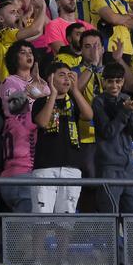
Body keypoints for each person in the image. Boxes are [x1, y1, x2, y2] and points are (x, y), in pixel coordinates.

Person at [31, 61, 92, 213]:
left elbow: (88, 115)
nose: (66, 79)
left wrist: (75, 89)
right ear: (50, 78)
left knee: (66, 221)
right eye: (62, 75)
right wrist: (52, 94)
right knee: (40, 220)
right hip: (45, 167)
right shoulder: (40, 102)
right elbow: (43, 122)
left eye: (69, 76)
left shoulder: (74, 101)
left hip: (71, 167)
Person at [92, 62, 133, 213]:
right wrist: (126, 112)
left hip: (129, 167)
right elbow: (108, 132)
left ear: (123, 82)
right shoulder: (98, 102)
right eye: (110, 81)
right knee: (110, 215)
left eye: (118, 81)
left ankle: (131, 238)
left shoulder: (126, 99)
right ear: (103, 82)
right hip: (108, 168)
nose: (114, 85)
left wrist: (132, 113)